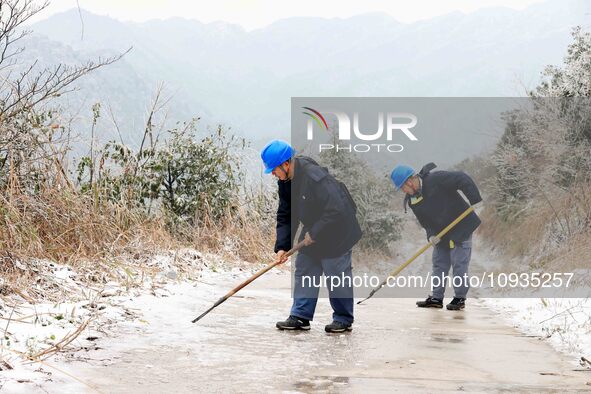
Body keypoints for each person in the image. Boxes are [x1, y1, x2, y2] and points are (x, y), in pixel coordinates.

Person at [261, 139, 362, 332]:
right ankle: (300, 315)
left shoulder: (315, 176)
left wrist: (314, 233)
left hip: (337, 230)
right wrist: (282, 246)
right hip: (313, 229)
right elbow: (286, 215)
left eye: (274, 169)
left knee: (336, 274)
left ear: (286, 164)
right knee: (305, 267)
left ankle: (343, 318)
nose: (273, 174)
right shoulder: (285, 181)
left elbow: (337, 209)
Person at [390, 162, 482, 310]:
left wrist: (474, 198)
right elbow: (426, 222)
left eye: (403, 187)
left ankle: (459, 298)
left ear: (409, 181)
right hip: (441, 233)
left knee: (459, 264)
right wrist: (432, 235)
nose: (403, 191)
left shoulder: (435, 180)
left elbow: (461, 178)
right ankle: (436, 298)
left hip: (461, 226)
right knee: (439, 264)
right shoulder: (412, 200)